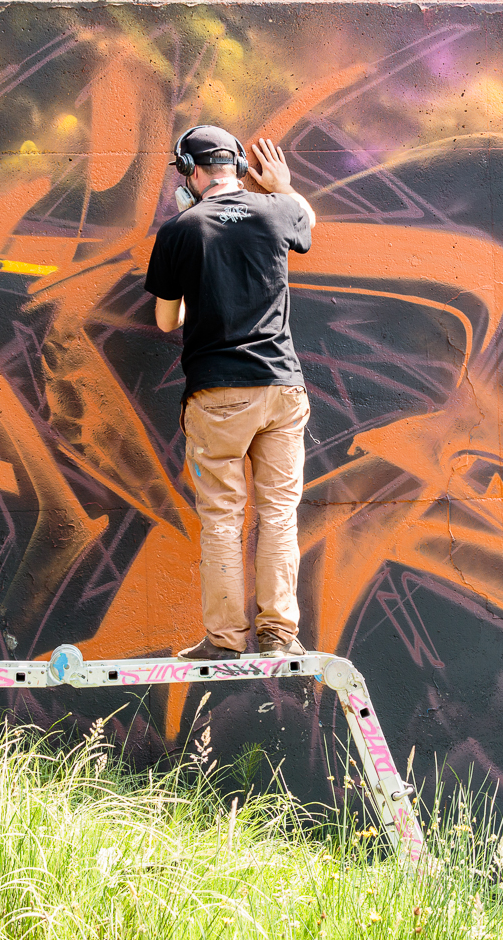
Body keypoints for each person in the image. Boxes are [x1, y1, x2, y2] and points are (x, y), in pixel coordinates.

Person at [144, 125, 317, 661]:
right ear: (238, 166)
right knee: (279, 513)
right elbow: (307, 222)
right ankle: (279, 635)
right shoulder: (279, 211)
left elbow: (166, 320)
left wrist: (199, 285)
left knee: (223, 517)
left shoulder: (181, 229)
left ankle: (225, 641)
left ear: (190, 172)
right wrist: (283, 186)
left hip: (219, 392)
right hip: (282, 387)